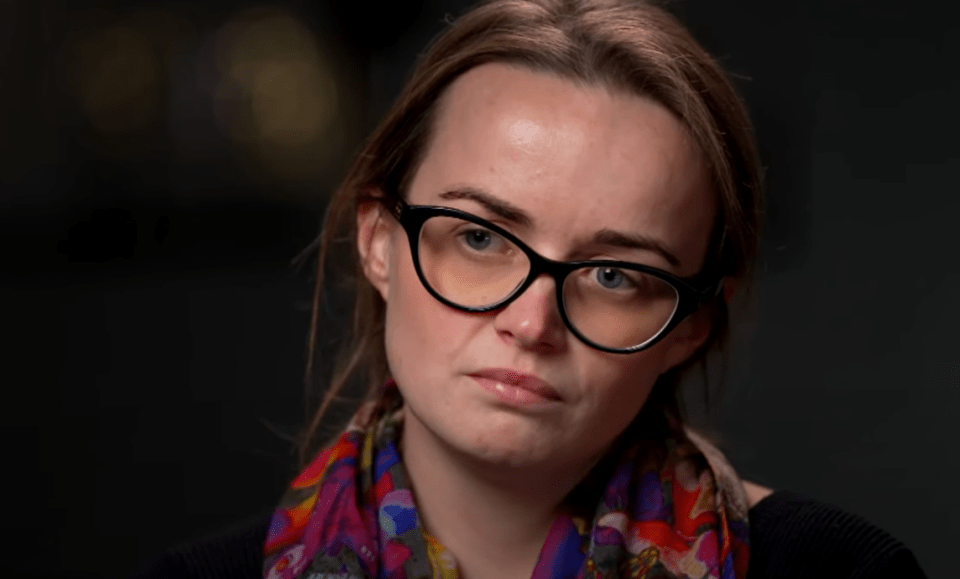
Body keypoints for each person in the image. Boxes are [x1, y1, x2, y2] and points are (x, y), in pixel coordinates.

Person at [136, 1, 926, 578]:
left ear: (690, 324)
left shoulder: (841, 571)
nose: (531, 320)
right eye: (480, 237)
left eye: (616, 274)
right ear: (378, 240)